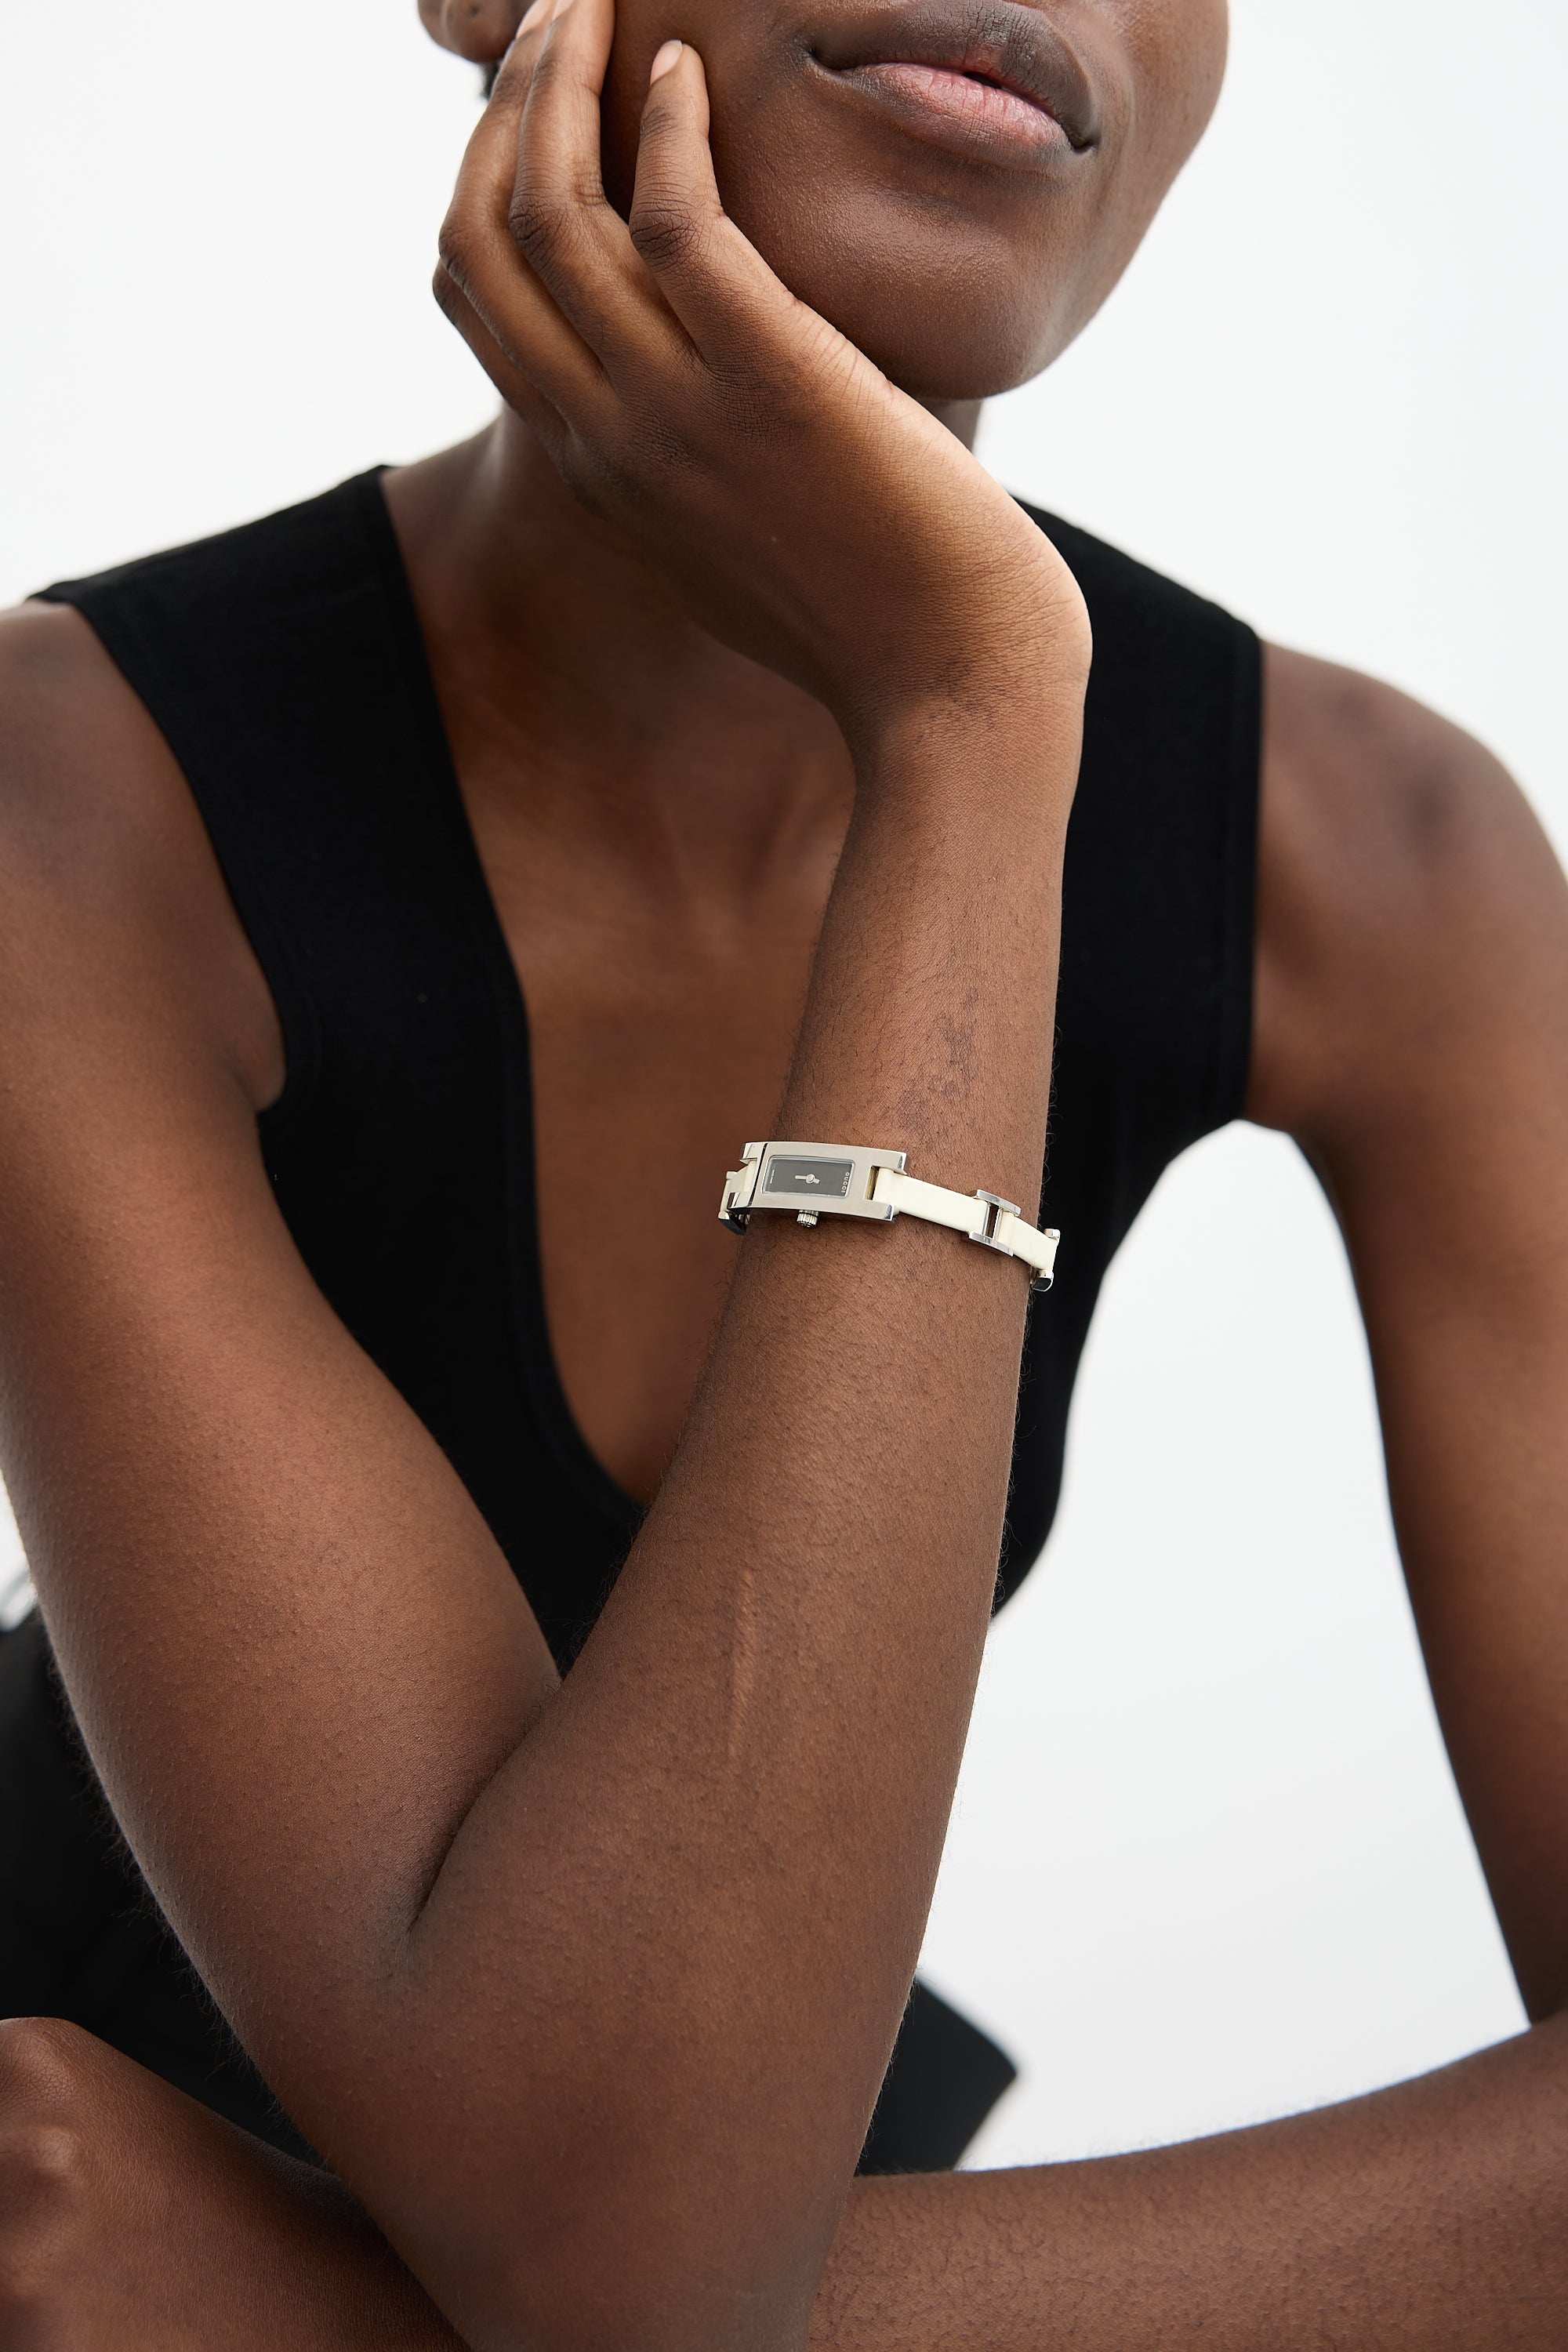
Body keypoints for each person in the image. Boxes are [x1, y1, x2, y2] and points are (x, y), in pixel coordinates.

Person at [1, 0, 1566, 2340]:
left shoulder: (1384, 861)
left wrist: (324, 2321)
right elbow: (618, 2250)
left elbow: (640, 2279)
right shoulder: (59, 806)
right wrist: (971, 716)